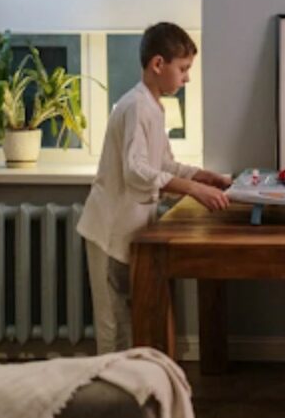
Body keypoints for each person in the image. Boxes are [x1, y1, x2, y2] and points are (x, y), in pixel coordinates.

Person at [77, 22, 231, 354]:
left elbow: (163, 165)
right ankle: (113, 398)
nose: (187, 78)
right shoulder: (133, 106)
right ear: (158, 64)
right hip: (109, 229)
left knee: (131, 317)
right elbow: (136, 172)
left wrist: (205, 177)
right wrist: (192, 189)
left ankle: (133, 389)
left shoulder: (155, 107)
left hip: (131, 228)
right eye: (184, 69)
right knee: (112, 323)